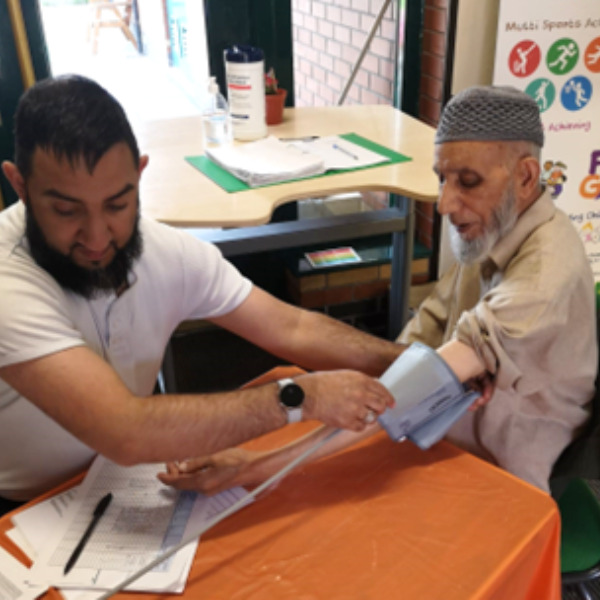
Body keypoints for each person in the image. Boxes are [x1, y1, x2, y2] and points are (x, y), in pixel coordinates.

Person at [160, 85, 597, 495]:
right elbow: (430, 325)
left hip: (502, 470)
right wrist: (394, 382)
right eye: (442, 178)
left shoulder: (542, 279)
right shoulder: (496, 226)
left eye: (467, 181)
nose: (444, 203)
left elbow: (422, 381)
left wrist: (255, 468)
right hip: (443, 424)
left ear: (525, 177)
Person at [0, 74, 411, 508]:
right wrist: (301, 396)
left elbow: (291, 327)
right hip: (24, 507)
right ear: (20, 186)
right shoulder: (8, 280)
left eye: (118, 204)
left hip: (125, 481)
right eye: (66, 210)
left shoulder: (162, 250)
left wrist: (418, 363)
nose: (98, 236)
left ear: (139, 175)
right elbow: (127, 430)